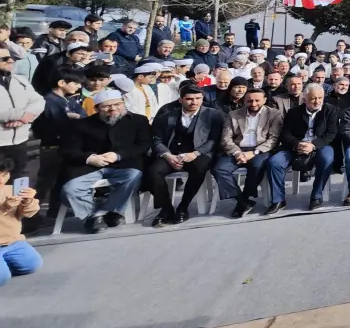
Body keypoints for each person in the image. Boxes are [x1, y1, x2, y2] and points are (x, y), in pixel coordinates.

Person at [60, 90, 148, 233]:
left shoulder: (138, 121)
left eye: (117, 104)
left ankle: (100, 214)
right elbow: (67, 150)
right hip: (89, 167)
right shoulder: (81, 125)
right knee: (71, 189)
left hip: (123, 165)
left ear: (123, 104)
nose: (113, 109)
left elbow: (143, 145)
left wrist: (118, 155)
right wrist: (90, 158)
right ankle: (93, 216)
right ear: (96, 109)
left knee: (134, 176)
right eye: (106, 106)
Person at [148, 84, 225, 227]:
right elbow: (157, 140)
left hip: (199, 153)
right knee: (154, 171)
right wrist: (167, 155)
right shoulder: (166, 116)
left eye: (198, 98)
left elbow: (215, 140)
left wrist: (195, 153)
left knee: (200, 168)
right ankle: (166, 209)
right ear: (181, 100)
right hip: (172, 154)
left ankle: (183, 206)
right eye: (189, 99)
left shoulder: (214, 114)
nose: (194, 102)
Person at [268, 84, 339, 212]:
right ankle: (278, 200)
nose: (317, 101)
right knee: (275, 162)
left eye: (320, 98)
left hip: (320, 145)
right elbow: (286, 134)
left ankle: (316, 195)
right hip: (296, 146)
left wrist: (313, 145)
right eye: (313, 98)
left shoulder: (331, 110)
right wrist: (297, 144)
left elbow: (331, 133)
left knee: (327, 159)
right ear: (305, 99)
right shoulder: (294, 112)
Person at [215, 87, 282, 218]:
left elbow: (274, 139)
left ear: (264, 100)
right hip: (237, 149)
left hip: (260, 149)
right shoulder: (233, 114)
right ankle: (242, 201)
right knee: (219, 169)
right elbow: (226, 138)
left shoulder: (274, 114)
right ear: (244, 100)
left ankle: (245, 197)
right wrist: (237, 153)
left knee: (257, 165)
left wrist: (254, 152)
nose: (254, 104)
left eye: (257, 100)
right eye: (250, 101)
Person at [0, 48, 43, 178]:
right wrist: (21, 115)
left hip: (19, 141)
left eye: (10, 57)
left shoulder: (20, 80)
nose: (11, 60)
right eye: (4, 59)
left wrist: (25, 118)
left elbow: (39, 101)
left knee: (18, 179)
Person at [0, 155, 41, 286]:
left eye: (4, 174)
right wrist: (4, 207)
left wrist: (28, 201)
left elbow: (29, 213)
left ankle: (4, 263)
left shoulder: (11, 190)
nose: (1, 179)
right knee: (2, 277)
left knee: (32, 264)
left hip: (13, 241)